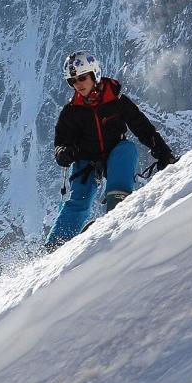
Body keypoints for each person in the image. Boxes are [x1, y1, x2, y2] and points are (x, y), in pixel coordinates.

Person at [43, 50, 177, 252]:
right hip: (85, 158)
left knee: (127, 149)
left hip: (115, 151)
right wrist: (63, 153)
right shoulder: (71, 111)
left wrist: (163, 153)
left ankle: (117, 208)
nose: (78, 84)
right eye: (73, 81)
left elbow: (142, 127)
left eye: (82, 77)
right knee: (79, 200)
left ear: (94, 74)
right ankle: (55, 249)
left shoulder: (117, 100)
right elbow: (60, 142)